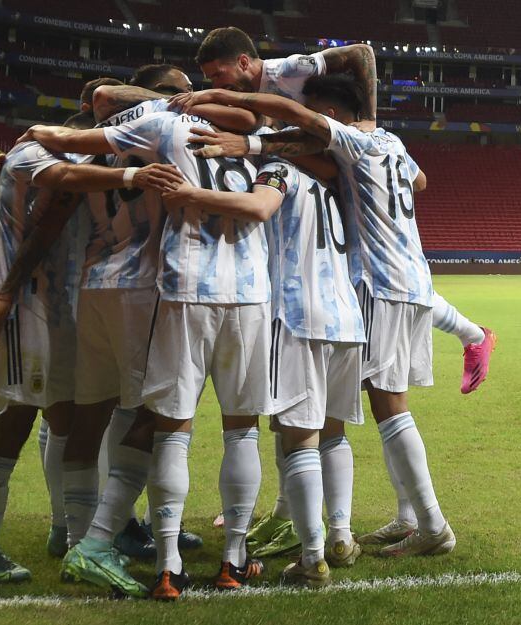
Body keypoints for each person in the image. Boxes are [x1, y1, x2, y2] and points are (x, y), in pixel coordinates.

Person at [174, 73, 457, 558]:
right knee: (341, 417)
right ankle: (403, 518)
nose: (308, 127)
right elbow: (421, 181)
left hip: (375, 283)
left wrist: (228, 115)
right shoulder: (390, 142)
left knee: (382, 408)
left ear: (333, 114)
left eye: (317, 117)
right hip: (412, 280)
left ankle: (430, 525)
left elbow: (297, 124)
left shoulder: (347, 141)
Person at [195, 26, 497, 397]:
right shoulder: (391, 142)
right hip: (408, 264)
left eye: (217, 75)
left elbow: (319, 95)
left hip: (379, 269)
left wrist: (242, 133)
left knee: (380, 398)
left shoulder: (297, 80)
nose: (215, 82)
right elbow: (419, 182)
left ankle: (473, 335)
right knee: (369, 377)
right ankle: (474, 334)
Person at [0, 109, 184, 584]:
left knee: (65, 423)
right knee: (12, 427)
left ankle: (72, 537)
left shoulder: (46, 164)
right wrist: (132, 174)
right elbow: (60, 180)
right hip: (18, 304)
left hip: (55, 306)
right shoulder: (30, 153)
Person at [162, 151, 367, 587]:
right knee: (333, 432)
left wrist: (190, 194)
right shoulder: (331, 181)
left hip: (298, 316)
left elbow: (259, 206)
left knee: (299, 440)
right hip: (347, 318)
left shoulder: (278, 170)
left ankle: (313, 558)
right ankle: (340, 534)